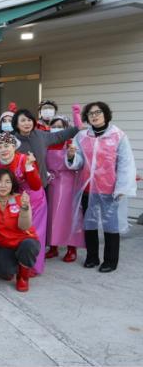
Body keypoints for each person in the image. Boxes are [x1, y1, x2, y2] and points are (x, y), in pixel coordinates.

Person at [67, 101, 137, 273]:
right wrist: (71, 156)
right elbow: (79, 162)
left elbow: (125, 163)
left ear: (105, 114)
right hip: (88, 188)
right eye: (91, 113)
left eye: (98, 112)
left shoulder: (118, 136)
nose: (94, 116)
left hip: (109, 189)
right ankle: (92, 257)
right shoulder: (82, 136)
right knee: (89, 224)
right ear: (87, 117)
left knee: (110, 225)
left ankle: (110, 261)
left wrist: (122, 188)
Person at [0, 132, 46, 275]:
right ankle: (13, 263)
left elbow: (36, 185)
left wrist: (29, 167)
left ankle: (31, 267)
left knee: (33, 232)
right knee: (13, 231)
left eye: (7, 145)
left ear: (14, 147)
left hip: (33, 199)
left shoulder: (24, 159)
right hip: (10, 200)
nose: (3, 149)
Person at [0, 169, 40, 292]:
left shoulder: (20, 200)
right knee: (4, 272)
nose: (3, 185)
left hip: (24, 241)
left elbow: (24, 226)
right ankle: (18, 265)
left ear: (13, 184)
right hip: (5, 245)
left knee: (28, 245)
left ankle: (23, 277)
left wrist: (24, 208)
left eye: (7, 182)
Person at [44, 115, 84, 262]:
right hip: (51, 183)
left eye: (60, 126)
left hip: (68, 184)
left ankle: (71, 248)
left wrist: (71, 156)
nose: (57, 129)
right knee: (51, 216)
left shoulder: (71, 142)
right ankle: (53, 246)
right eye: (54, 126)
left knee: (69, 216)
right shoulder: (46, 143)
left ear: (66, 128)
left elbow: (80, 163)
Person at [13, 108, 80, 188]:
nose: (27, 123)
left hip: (42, 185)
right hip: (22, 187)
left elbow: (58, 136)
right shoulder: (13, 141)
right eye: (23, 120)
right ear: (16, 124)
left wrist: (76, 129)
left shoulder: (40, 135)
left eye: (29, 120)